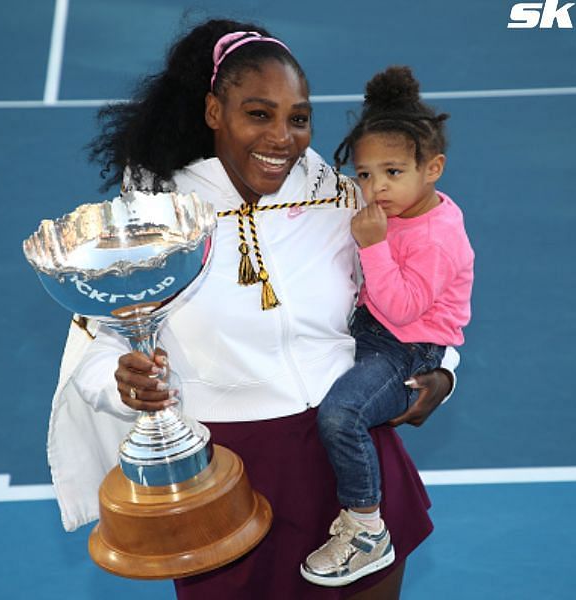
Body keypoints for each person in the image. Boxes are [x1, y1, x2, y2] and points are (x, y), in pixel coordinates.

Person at [50, 21, 456, 599]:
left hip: (352, 469)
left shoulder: (341, 198)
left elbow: (423, 289)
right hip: (229, 483)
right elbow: (99, 346)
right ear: (215, 112)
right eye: (258, 114)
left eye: (298, 118)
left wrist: (444, 373)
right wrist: (124, 382)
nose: (283, 138)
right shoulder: (156, 218)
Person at [300, 66, 474, 587]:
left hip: (406, 348)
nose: (375, 189)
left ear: (433, 168)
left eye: (393, 173)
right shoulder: (394, 210)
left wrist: (374, 246)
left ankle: (366, 528)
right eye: (366, 173)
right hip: (371, 330)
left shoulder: (436, 237)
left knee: (341, 412)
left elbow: (401, 309)